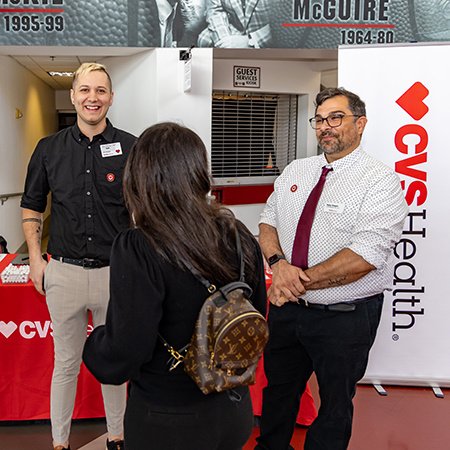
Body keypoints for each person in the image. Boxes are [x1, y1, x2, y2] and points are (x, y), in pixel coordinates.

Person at [82, 122, 268, 450]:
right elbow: (257, 313)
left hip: (168, 421)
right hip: (235, 409)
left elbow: (125, 353)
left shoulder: (138, 246)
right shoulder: (239, 234)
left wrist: (96, 343)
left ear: (140, 177)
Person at [255, 87, 409, 450]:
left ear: (360, 124)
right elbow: (267, 222)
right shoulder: (297, 169)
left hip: (345, 317)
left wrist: (293, 280)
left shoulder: (380, 180)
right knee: (278, 393)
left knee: (335, 406)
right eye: (320, 119)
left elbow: (365, 256)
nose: (326, 127)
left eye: (336, 118)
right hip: (288, 312)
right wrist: (279, 265)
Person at [21, 63, 136, 450]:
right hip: (63, 273)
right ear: (73, 96)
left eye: (100, 91)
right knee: (66, 364)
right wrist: (36, 260)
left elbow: (144, 211)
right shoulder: (48, 149)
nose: (92, 98)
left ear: (111, 97)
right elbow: (32, 207)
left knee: (115, 364)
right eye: (84, 90)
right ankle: (59, 443)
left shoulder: (132, 148)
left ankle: (117, 437)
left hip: (114, 275)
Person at [197, 0, 271, 48]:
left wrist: (250, 41)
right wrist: (225, 41)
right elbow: (215, 11)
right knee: (205, 39)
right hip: (236, 30)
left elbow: (282, 25)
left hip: (267, 34)